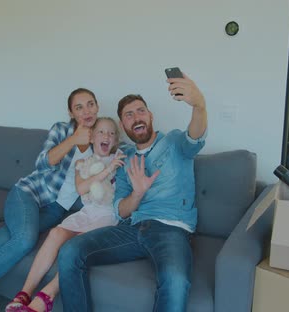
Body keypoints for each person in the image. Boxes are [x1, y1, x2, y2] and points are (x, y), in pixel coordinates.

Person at [57, 72, 208, 312]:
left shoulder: (174, 142)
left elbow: (196, 137)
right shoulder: (123, 158)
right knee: (69, 252)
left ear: (150, 116)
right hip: (131, 228)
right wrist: (137, 193)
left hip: (171, 229)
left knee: (176, 280)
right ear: (123, 127)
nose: (135, 117)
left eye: (140, 111)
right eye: (128, 115)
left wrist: (199, 104)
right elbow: (120, 209)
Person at [0, 88, 100, 312]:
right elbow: (43, 163)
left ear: (97, 107)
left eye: (90, 104)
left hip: (54, 210)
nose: (86, 111)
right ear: (71, 112)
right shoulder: (62, 130)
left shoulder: (101, 139)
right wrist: (73, 139)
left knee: (5, 238)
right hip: (28, 194)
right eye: (79, 107)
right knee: (25, 239)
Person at [6, 117, 125, 312]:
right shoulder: (82, 163)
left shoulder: (119, 157)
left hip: (108, 218)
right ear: (92, 137)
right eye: (102, 132)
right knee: (55, 234)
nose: (107, 136)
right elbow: (81, 188)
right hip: (87, 213)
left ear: (116, 141)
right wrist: (107, 171)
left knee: (74, 247)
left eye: (111, 133)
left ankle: (44, 299)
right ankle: (23, 295)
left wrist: (114, 164)